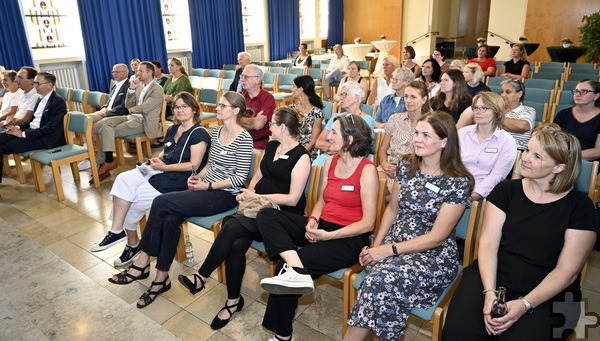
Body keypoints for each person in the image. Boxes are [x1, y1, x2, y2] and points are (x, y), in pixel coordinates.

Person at [443, 126, 597, 340]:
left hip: (552, 291)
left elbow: (567, 270)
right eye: (526, 151)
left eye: (536, 156)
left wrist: (525, 304)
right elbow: (487, 244)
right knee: (458, 333)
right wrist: (489, 293)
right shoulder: (506, 191)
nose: (525, 158)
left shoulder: (581, 207)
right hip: (494, 274)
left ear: (559, 167)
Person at [107, 91, 253, 309]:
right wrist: (198, 178)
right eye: (219, 105)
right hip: (204, 187)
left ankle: (143, 259)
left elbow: (239, 177)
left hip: (224, 195)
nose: (218, 109)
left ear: (236, 110)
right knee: (168, 218)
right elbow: (210, 165)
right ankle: (160, 279)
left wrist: (208, 185)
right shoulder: (217, 132)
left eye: (222, 106)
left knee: (161, 202)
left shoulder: (244, 138)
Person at [177, 107, 310, 330]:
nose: (268, 126)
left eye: (273, 124)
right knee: (236, 241)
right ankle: (232, 301)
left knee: (231, 228)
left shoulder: (302, 156)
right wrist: (249, 195)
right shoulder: (272, 146)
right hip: (258, 208)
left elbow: (293, 199)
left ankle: (203, 278)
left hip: (280, 217)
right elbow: (257, 176)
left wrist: (257, 196)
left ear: (283, 128)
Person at [345, 111, 474, 341]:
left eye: (426, 135)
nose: (417, 139)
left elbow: (436, 238)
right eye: (417, 133)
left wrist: (386, 250)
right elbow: (393, 209)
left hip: (431, 256)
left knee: (378, 282)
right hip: (395, 242)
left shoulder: (457, 181)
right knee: (380, 287)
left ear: (445, 142)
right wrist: (377, 242)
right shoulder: (407, 163)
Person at [258, 114, 378, 341]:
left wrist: (329, 235)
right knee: (267, 214)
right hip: (323, 225)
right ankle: (297, 270)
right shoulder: (330, 162)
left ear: (350, 140)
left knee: (286, 268)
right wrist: (313, 218)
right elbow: (322, 201)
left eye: (334, 132)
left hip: (349, 236)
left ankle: (282, 334)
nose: (328, 136)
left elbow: (368, 223)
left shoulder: (367, 169)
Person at [90, 92, 210, 267]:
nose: (180, 110)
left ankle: (133, 245)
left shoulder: (199, 133)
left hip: (180, 179)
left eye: (185, 106)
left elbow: (193, 165)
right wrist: (156, 159)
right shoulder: (172, 129)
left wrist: (163, 167)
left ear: (194, 109)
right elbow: (166, 152)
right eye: (176, 107)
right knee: (123, 180)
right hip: (162, 170)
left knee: (133, 199)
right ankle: (116, 231)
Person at [93, 61, 164, 182]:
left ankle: (104, 163)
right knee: (105, 123)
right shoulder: (140, 86)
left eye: (141, 71)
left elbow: (145, 108)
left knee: (105, 129)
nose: (137, 73)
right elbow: (128, 104)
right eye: (137, 71)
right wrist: (131, 89)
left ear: (150, 72)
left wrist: (130, 110)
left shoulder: (157, 89)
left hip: (143, 122)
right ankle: (108, 161)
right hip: (131, 117)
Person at [0, 72, 66, 182]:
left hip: (45, 138)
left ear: (49, 85)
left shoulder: (58, 101)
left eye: (37, 83)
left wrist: (23, 134)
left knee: (4, 146)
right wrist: (17, 128)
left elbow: (50, 128)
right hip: (32, 132)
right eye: (34, 82)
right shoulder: (40, 98)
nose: (34, 85)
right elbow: (32, 121)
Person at [458, 92, 517, 201]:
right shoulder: (462, 134)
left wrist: (474, 195)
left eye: (484, 108)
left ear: (496, 111)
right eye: (475, 107)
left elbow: (497, 176)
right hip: (454, 186)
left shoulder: (507, 142)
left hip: (483, 195)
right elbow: (449, 164)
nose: (478, 111)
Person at [377, 81, 431, 185]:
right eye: (406, 96)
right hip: (388, 168)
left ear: (424, 99)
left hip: (413, 173)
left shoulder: (429, 124)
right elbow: (383, 149)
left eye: (413, 97)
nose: (408, 101)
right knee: (371, 182)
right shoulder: (395, 119)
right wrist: (384, 164)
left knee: (389, 192)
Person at [313, 82, 375, 166]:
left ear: (356, 97)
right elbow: (318, 143)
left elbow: (359, 149)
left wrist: (333, 147)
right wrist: (339, 147)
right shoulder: (336, 117)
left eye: (345, 94)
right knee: (316, 166)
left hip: (351, 160)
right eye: (340, 95)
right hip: (328, 157)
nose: (340, 98)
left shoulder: (367, 120)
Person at [553, 80, 600, 161]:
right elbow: (552, 139)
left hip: (586, 162)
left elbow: (598, 151)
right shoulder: (563, 114)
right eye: (576, 91)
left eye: (584, 91)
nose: (578, 94)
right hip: (560, 158)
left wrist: (569, 156)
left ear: (596, 96)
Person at [239, 64, 277, 150]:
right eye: (241, 76)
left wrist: (239, 119)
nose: (242, 79)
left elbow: (258, 125)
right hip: (239, 141)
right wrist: (253, 120)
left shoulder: (267, 98)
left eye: (245, 77)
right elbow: (231, 121)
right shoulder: (240, 97)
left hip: (258, 144)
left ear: (257, 79)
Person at [289, 75, 323, 162]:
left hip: (306, 153)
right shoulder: (291, 109)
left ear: (300, 89)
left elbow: (313, 142)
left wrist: (296, 154)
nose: (291, 89)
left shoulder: (316, 112)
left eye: (293, 86)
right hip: (290, 149)